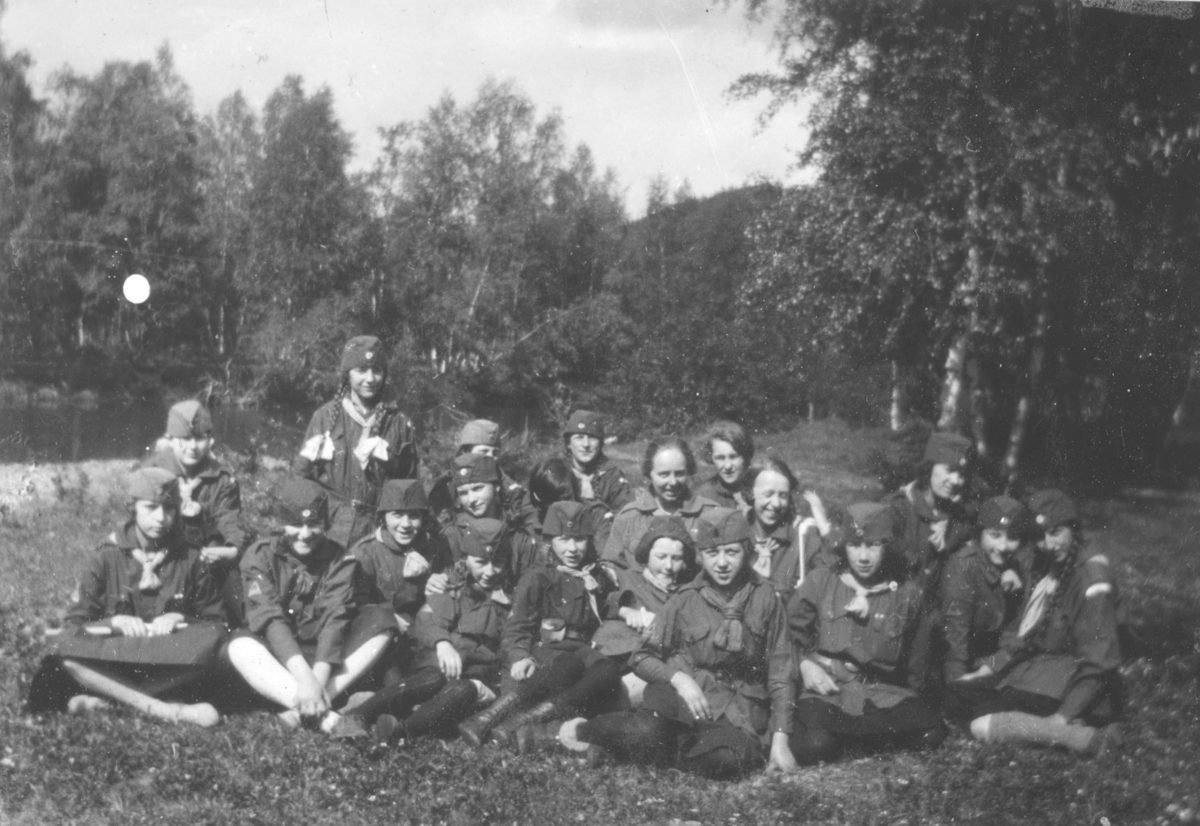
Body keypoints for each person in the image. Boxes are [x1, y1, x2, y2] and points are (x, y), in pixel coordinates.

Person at [565, 509, 796, 779]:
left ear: (747, 551)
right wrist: (678, 679)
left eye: (731, 553)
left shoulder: (766, 598)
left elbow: (781, 672)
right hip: (684, 702)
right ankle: (580, 731)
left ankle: (630, 753)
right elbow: (642, 656)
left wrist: (780, 740)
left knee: (734, 760)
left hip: (738, 712)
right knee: (647, 730)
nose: (721, 563)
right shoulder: (686, 599)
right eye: (712, 553)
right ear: (701, 555)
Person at [28, 468, 228, 727]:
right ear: (132, 507)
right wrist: (113, 623)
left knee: (218, 643)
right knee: (64, 649)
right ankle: (166, 710)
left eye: (169, 508)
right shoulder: (105, 556)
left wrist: (179, 616)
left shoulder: (190, 558)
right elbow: (76, 622)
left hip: (171, 658)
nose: (161, 518)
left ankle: (112, 699)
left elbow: (215, 621)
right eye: (150, 508)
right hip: (114, 656)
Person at [950, 490, 1123, 756]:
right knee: (954, 696)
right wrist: (987, 669)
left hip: (1068, 683)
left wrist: (1063, 716)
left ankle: (1084, 737)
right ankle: (1051, 728)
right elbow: (1024, 636)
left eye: (1056, 532)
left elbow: (1099, 662)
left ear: (1073, 529)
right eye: (1040, 536)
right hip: (1034, 672)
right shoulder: (1045, 565)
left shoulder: (1091, 579)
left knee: (980, 724)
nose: (1048, 544)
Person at [225, 479, 397, 733]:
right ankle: (330, 720)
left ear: (325, 524)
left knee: (382, 621)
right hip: (280, 653)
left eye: (314, 524)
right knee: (239, 646)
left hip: (324, 656)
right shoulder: (259, 555)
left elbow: (335, 621)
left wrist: (315, 680)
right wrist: (305, 679)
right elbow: (271, 620)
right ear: (279, 523)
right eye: (295, 524)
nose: (305, 534)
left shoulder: (341, 559)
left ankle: (303, 708)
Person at [786, 503, 947, 765]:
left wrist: (910, 702)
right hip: (828, 689)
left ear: (889, 546)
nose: (862, 557)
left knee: (932, 732)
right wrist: (804, 665)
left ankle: (854, 743)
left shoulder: (906, 594)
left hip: (880, 691)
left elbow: (917, 660)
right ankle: (862, 744)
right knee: (814, 745)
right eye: (854, 545)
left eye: (873, 545)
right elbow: (786, 635)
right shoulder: (822, 581)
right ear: (843, 545)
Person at [457, 501, 621, 753]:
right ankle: (486, 717)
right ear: (550, 539)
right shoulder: (539, 576)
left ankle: (522, 721)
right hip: (547, 648)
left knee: (607, 670)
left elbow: (607, 608)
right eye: (564, 539)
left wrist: (627, 608)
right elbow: (517, 626)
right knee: (569, 664)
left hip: (580, 648)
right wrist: (520, 656)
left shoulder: (595, 576)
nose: (572, 548)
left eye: (580, 539)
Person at [332, 523, 512, 742]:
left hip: (477, 679)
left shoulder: (512, 598)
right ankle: (356, 716)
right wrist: (442, 643)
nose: (490, 571)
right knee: (433, 678)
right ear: (466, 559)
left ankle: (399, 733)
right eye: (481, 562)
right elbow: (428, 620)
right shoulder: (452, 585)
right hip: (437, 667)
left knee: (463, 689)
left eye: (498, 562)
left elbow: (513, 644)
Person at [884, 431, 988, 696]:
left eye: (962, 475)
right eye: (949, 470)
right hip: (890, 616)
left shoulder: (960, 517)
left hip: (934, 623)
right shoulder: (898, 508)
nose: (956, 481)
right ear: (929, 468)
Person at [294, 335, 418, 548]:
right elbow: (299, 482)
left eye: (377, 370)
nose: (370, 378)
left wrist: (392, 460)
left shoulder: (399, 422)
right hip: (334, 530)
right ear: (346, 375)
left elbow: (412, 487)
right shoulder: (324, 418)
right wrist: (306, 460)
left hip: (381, 533)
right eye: (361, 370)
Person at [145, 399, 249, 625]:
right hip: (163, 559)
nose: (193, 446)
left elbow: (230, 520)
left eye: (200, 438)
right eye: (185, 439)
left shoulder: (221, 479)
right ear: (170, 440)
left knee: (239, 602)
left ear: (209, 440)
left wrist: (230, 550)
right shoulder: (153, 474)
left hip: (208, 560)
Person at [590, 515, 696, 707]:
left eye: (677, 558)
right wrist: (623, 611)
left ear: (686, 562)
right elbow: (599, 604)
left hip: (651, 667)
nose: (668, 566)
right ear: (647, 555)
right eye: (661, 557)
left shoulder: (689, 593)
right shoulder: (627, 579)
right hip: (613, 659)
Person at [939, 496, 1030, 690]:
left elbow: (1014, 634)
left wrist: (990, 668)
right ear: (980, 534)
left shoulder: (1015, 568)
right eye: (995, 535)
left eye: (1012, 537)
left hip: (988, 664)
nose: (1003, 546)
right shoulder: (964, 566)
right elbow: (955, 639)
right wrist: (956, 691)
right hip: (952, 665)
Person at [602, 436, 718, 573]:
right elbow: (612, 567)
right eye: (664, 475)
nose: (673, 482)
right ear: (649, 474)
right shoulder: (628, 517)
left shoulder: (711, 514)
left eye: (680, 474)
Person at [350, 479, 451, 634]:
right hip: (382, 631)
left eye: (414, 515)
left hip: (428, 629)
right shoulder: (366, 552)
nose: (406, 524)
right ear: (383, 517)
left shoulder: (434, 547)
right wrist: (387, 617)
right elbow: (357, 603)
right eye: (397, 515)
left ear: (423, 518)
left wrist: (436, 583)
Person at [741, 455, 834, 603]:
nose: (776, 503)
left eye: (783, 495)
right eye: (768, 494)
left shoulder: (805, 534)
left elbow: (833, 580)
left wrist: (825, 531)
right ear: (750, 492)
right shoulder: (737, 531)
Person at [562, 410, 633, 514]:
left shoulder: (612, 476)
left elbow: (626, 513)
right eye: (579, 438)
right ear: (569, 443)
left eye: (592, 438)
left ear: (600, 444)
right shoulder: (556, 472)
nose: (586, 444)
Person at [695, 421, 754, 513]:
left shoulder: (758, 487)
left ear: (746, 456)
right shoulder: (705, 495)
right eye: (720, 458)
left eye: (734, 457)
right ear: (711, 458)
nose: (728, 466)